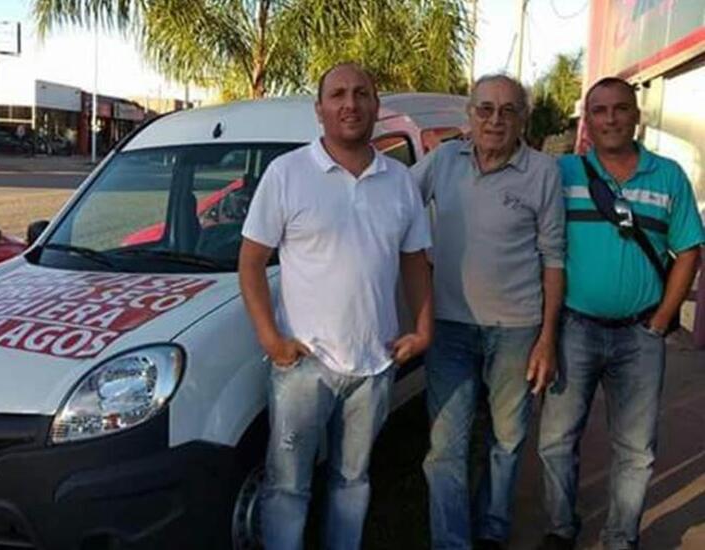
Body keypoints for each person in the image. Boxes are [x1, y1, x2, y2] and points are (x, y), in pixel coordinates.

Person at [238, 62, 434, 550]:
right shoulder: (287, 174)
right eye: (338, 94)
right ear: (320, 109)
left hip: (375, 364)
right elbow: (251, 261)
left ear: (376, 105)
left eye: (361, 93)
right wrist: (271, 340)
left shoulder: (399, 180)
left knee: (353, 481)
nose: (350, 104)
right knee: (288, 487)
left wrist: (423, 329)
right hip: (304, 365)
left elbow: (415, 261)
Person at [537, 77, 704, 550]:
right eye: (600, 110)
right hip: (573, 329)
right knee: (555, 440)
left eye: (620, 109)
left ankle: (620, 538)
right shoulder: (562, 174)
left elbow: (689, 251)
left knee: (636, 449)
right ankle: (560, 529)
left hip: (639, 336)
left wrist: (661, 320)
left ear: (636, 116)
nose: (610, 119)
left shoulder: (667, 176)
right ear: (586, 122)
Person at [411, 73, 566, 550]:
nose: (495, 120)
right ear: (470, 115)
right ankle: (452, 542)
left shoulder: (543, 172)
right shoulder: (442, 161)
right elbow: (392, 205)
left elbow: (554, 258)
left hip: (517, 329)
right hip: (449, 327)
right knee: (445, 448)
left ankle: (494, 528)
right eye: (485, 109)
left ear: (523, 119)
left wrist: (547, 339)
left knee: (507, 438)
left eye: (508, 110)